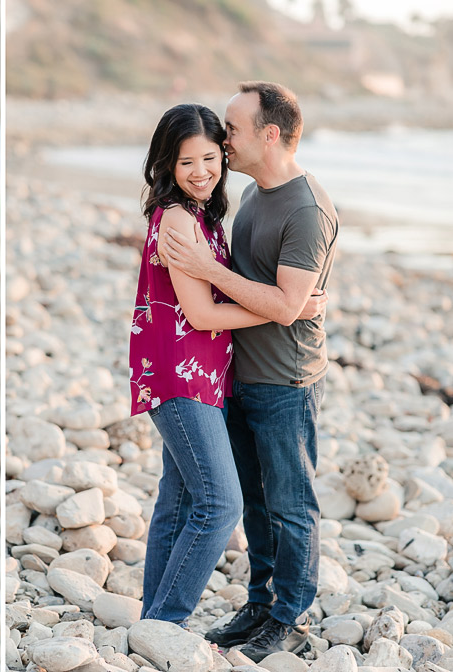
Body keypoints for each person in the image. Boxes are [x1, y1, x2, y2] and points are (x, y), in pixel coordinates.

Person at [160, 81, 338, 662]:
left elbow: (285, 305)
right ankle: (261, 602)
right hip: (237, 373)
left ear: (270, 134)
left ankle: (290, 615)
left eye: (231, 130)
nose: (222, 139)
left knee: (291, 503)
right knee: (255, 502)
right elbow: (265, 293)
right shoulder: (256, 195)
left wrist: (210, 267)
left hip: (285, 380)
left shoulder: (306, 209)